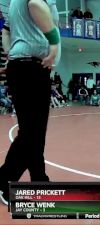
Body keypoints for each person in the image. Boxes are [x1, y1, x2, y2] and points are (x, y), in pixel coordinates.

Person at [0, 0, 60, 205]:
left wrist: (9, 52)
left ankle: (39, 180)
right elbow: (36, 4)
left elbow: (6, 30)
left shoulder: (15, 3)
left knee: (35, 132)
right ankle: (3, 182)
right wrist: (54, 45)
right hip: (29, 69)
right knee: (31, 133)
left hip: (28, 67)